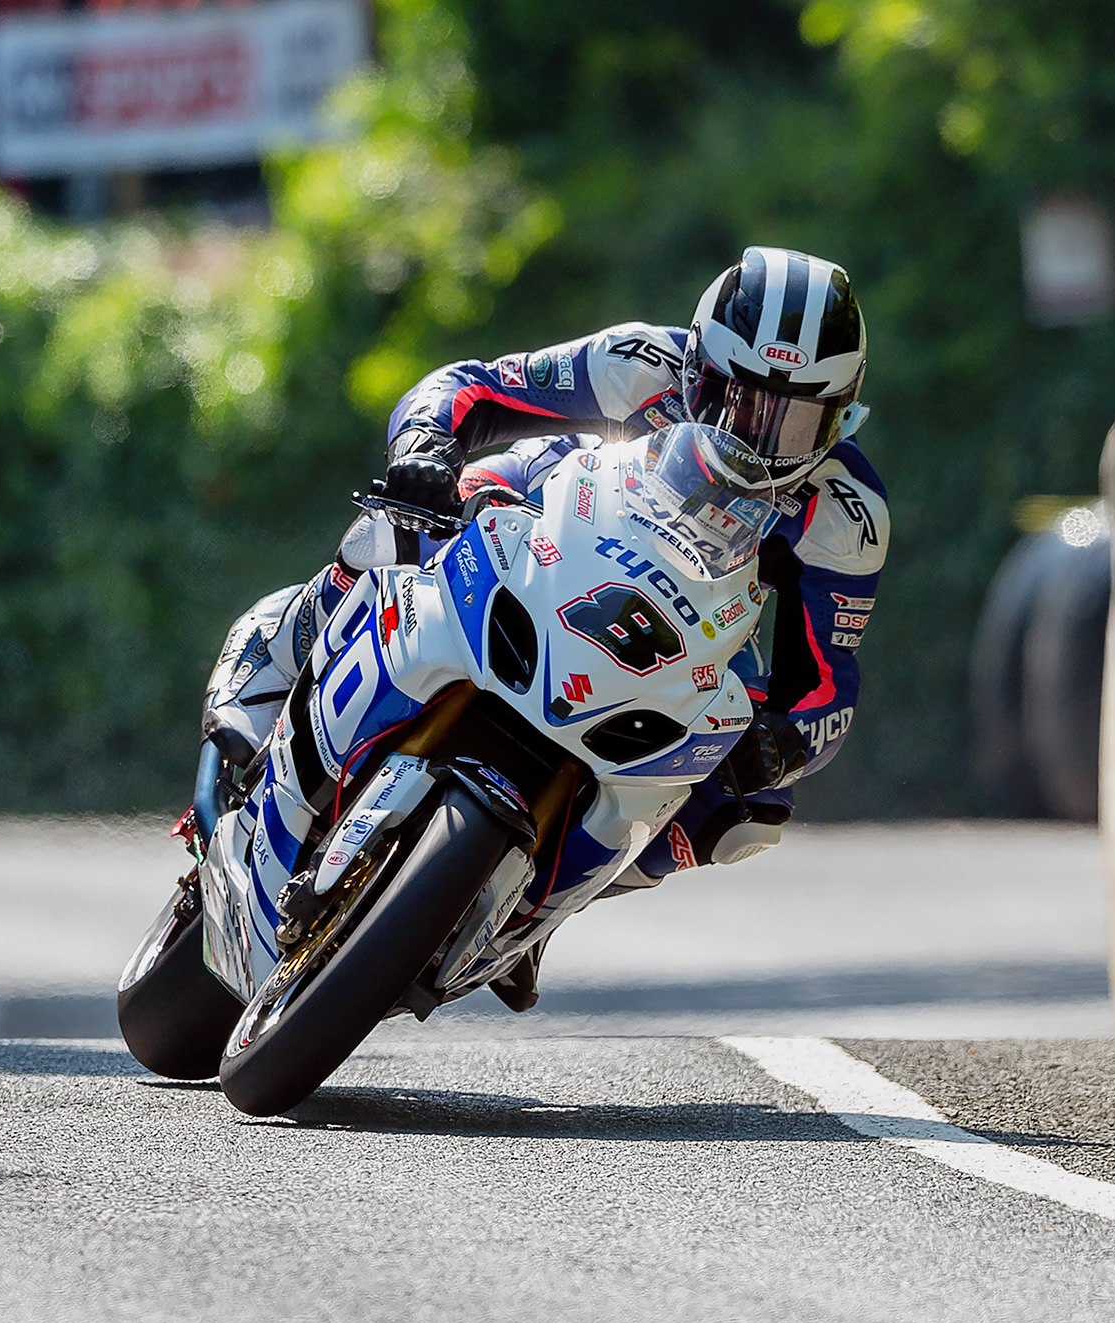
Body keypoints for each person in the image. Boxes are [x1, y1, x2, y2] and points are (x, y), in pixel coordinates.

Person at [199, 246, 887, 972]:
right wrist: (427, 444)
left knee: (743, 811)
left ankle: (540, 900)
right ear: (697, 368)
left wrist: (786, 743)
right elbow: (475, 387)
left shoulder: (848, 514)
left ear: (841, 418)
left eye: (795, 422)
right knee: (402, 524)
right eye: (739, 399)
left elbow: (823, 681)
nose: (757, 437)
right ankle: (273, 665)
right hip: (563, 517)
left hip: (686, 627)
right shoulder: (639, 360)